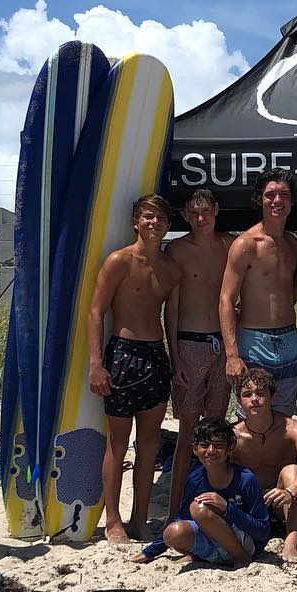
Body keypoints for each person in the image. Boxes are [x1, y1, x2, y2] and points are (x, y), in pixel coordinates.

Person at [87, 194, 181, 542]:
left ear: (168, 225)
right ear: (135, 222)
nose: (154, 223)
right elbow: (96, 312)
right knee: (117, 442)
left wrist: (175, 362)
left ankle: (140, 518)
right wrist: (96, 363)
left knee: (150, 444)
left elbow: (171, 318)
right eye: (147, 217)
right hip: (123, 354)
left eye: (160, 218)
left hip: (156, 356)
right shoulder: (119, 261)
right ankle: (113, 519)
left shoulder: (171, 270)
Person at [167, 187, 234, 506]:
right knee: (188, 433)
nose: (200, 218)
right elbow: (172, 308)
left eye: (205, 211)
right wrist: (175, 354)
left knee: (216, 430)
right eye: (193, 213)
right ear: (184, 216)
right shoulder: (177, 250)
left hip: (222, 345)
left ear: (217, 210)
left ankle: (214, 499)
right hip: (190, 343)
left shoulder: (230, 245)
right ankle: (177, 502)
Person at [219, 170, 297, 415]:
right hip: (253, 342)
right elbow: (226, 299)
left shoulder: (293, 243)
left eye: (284, 195)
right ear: (260, 200)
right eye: (270, 195)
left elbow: (288, 292)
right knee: (251, 417)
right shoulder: (246, 244)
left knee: (284, 416)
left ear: (292, 201)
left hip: (289, 338)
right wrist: (232, 355)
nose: (277, 201)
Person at [135, 416, 269, 568]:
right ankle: (203, 556)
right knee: (172, 533)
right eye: (205, 445)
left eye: (218, 445)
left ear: (230, 447)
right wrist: (150, 551)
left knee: (199, 509)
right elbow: (182, 516)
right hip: (215, 541)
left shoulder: (245, 479)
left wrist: (226, 508)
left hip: (245, 545)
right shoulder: (194, 479)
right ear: (195, 449)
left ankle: (240, 558)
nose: (211, 451)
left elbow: (262, 530)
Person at [232, 367, 297, 561]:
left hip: (283, 502)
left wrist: (290, 491)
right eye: (247, 395)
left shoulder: (292, 428)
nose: (254, 399)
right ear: (240, 402)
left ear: (273, 398)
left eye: (260, 393)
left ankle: (291, 541)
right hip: (249, 505)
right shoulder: (234, 436)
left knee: (292, 470)